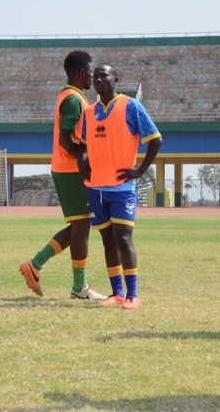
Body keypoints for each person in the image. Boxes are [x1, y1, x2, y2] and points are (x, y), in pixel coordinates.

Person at [19, 50, 105, 301]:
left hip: (69, 169)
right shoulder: (73, 100)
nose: (93, 76)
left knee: (80, 226)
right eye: (90, 71)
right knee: (81, 226)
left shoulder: (74, 97)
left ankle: (35, 265)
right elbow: (67, 140)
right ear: (81, 73)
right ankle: (79, 287)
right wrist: (88, 156)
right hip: (71, 171)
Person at [77, 63, 162, 310]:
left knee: (123, 238)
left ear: (116, 79)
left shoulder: (131, 106)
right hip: (95, 188)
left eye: (104, 75)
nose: (98, 79)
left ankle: (133, 295)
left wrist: (140, 170)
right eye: (95, 76)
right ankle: (116, 293)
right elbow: (82, 143)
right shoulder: (89, 112)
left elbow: (155, 139)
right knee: (107, 240)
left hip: (122, 189)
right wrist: (80, 158)